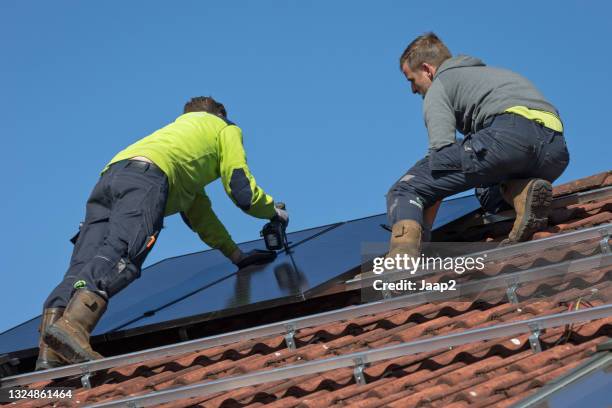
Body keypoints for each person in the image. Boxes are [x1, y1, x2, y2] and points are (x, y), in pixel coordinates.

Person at [36, 96, 288, 369]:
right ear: (220, 113)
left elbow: (200, 216)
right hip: (147, 178)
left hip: (111, 176)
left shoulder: (176, 144)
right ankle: (73, 326)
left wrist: (236, 255)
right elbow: (242, 190)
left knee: (82, 264)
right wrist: (273, 212)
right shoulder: (224, 128)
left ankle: (49, 355)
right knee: (124, 254)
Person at [386, 32, 569, 258]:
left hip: (507, 138)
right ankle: (523, 191)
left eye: (411, 80)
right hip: (554, 151)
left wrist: (424, 227)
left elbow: (441, 159)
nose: (413, 90)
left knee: (404, 189)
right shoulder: (490, 74)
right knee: (486, 192)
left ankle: (402, 258)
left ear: (427, 69)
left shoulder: (440, 85)